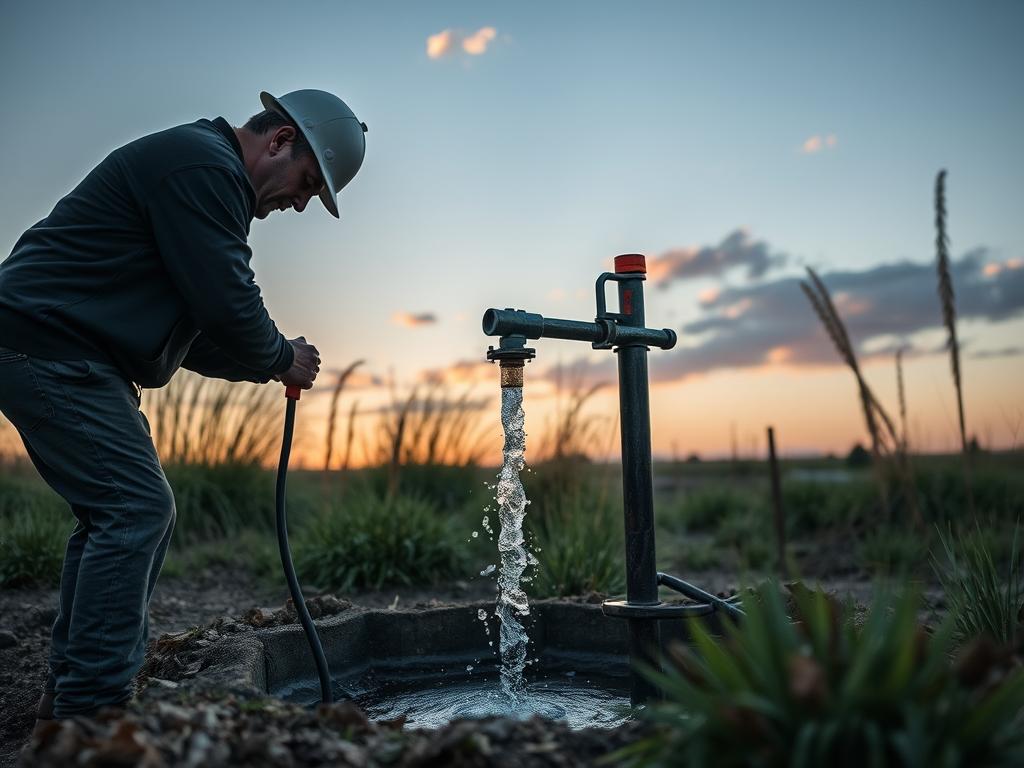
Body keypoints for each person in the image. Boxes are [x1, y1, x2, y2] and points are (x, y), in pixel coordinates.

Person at [0, 89, 367, 730]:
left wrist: (268, 361)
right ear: (279, 140)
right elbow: (228, 300)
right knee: (137, 508)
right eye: (309, 183)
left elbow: (197, 333)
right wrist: (279, 354)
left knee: (113, 514)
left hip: (61, 348)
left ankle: (71, 701)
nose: (302, 203)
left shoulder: (201, 175)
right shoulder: (203, 168)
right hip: (46, 342)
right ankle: (91, 718)